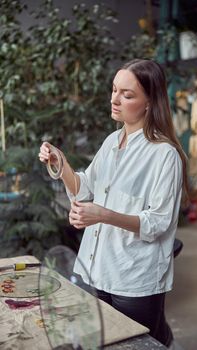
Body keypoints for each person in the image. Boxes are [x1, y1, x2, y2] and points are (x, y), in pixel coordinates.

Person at [39, 58, 188, 347]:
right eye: (114, 89)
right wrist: (63, 163)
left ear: (149, 102)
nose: (114, 99)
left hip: (135, 279)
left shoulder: (164, 155)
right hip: (100, 269)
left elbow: (158, 222)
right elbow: (84, 189)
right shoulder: (112, 142)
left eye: (127, 94)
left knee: (138, 344)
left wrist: (103, 214)